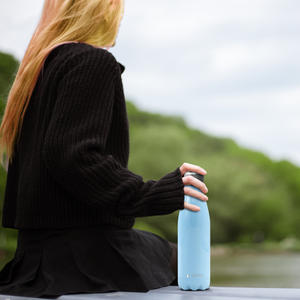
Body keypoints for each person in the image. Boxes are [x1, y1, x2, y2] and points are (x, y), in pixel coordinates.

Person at [0, 0, 208, 298]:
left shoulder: (35, 72)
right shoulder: (92, 61)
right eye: (117, 8)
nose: (120, 18)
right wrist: (152, 194)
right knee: (186, 258)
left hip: (33, 257)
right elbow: (72, 154)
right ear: (100, 11)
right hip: (83, 257)